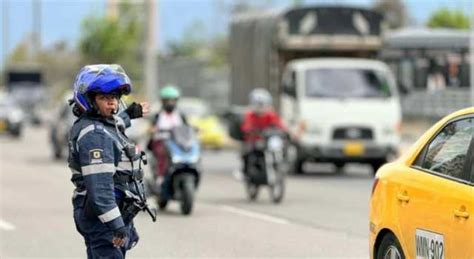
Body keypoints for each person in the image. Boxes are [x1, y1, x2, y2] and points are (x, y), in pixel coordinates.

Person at [68, 64, 152, 259]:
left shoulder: (100, 125)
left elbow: (114, 124)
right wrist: (117, 226)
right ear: (89, 100)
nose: (111, 103)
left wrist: (131, 113)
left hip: (108, 214)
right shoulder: (94, 136)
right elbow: (100, 189)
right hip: (103, 218)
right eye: (104, 98)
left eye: (114, 98)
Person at [240, 88, 286, 175]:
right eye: (259, 104)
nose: (261, 107)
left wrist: (282, 132)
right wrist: (250, 131)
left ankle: (278, 166)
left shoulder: (270, 114)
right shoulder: (250, 115)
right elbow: (246, 127)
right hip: (254, 140)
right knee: (246, 152)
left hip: (268, 140)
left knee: (279, 146)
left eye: (263, 104)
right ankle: (245, 172)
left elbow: (279, 125)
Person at [148, 85, 187, 184]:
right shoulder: (158, 115)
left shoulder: (180, 115)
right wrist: (153, 130)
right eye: (167, 100)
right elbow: (151, 128)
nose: (170, 103)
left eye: (173, 100)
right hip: (161, 141)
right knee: (163, 153)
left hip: (177, 141)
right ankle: (160, 177)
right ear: (163, 101)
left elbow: (187, 127)